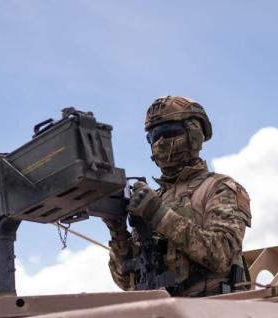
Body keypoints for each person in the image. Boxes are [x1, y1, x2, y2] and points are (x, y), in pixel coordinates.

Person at [106, 96, 252, 297]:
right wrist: (117, 230)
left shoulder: (219, 188)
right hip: (161, 314)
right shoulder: (153, 199)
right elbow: (125, 280)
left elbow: (222, 254)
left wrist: (158, 214)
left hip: (214, 309)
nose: (160, 142)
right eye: (153, 137)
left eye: (167, 133)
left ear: (193, 135)